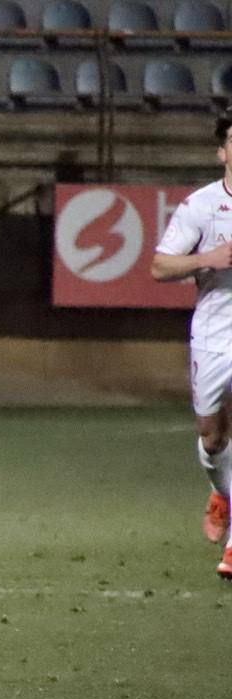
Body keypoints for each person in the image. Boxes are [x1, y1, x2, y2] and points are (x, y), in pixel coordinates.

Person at [151, 108, 232, 582]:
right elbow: (160, 267)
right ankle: (221, 491)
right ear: (222, 152)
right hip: (215, 332)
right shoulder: (201, 206)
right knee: (213, 436)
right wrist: (210, 257)